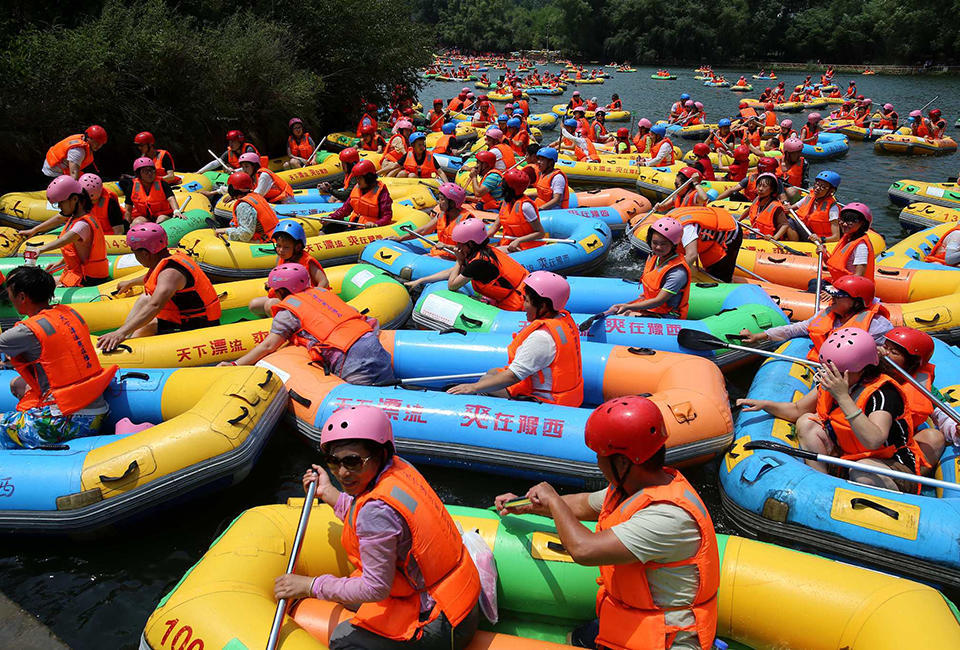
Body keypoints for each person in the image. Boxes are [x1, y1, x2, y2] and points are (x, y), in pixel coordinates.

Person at [494, 395, 719, 650]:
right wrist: (523, 505)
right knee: (574, 639)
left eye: (601, 456)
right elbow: (582, 504)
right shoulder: (635, 486)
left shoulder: (667, 516)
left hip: (666, 639)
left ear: (622, 461)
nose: (598, 463)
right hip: (630, 615)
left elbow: (584, 550)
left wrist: (553, 500)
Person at [274, 405, 481, 649]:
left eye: (353, 462)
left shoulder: (377, 511)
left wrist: (310, 585)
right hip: (461, 596)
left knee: (343, 640)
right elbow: (385, 520)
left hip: (441, 621)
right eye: (333, 462)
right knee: (351, 594)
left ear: (380, 453)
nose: (342, 473)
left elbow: (375, 588)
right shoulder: (398, 468)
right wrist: (328, 493)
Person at [737, 328, 926, 493]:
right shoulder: (837, 380)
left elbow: (873, 440)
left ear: (863, 369)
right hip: (848, 457)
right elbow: (797, 410)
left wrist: (843, 397)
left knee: (862, 471)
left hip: (889, 465)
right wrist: (766, 405)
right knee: (807, 422)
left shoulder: (884, 393)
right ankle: (822, 484)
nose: (831, 373)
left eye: (839, 369)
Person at [0, 266, 117, 450]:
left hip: (68, 420)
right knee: (17, 384)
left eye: (11, 296)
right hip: (98, 411)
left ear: (22, 297)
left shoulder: (26, 331)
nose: (11, 301)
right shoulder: (69, 313)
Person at [224, 265, 396, 385]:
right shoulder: (321, 292)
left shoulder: (288, 313)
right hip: (372, 343)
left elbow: (269, 345)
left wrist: (235, 365)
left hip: (351, 357)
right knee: (388, 387)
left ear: (280, 291)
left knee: (366, 404)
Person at [448, 271, 583, 406]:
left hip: (547, 401)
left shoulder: (542, 338)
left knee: (483, 384)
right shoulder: (563, 321)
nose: (523, 306)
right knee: (491, 372)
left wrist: (472, 387)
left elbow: (513, 376)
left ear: (543, 306)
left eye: (527, 301)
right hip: (569, 396)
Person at [97, 223, 221, 351]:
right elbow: (154, 278)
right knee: (144, 298)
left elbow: (155, 306)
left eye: (135, 252)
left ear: (145, 253)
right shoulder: (168, 256)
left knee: (148, 325)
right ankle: (125, 335)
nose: (136, 256)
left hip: (198, 325)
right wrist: (131, 282)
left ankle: (126, 347)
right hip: (184, 316)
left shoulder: (170, 273)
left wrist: (120, 333)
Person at [739, 274, 892, 360]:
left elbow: (887, 353)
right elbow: (796, 328)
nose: (833, 299)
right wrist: (759, 336)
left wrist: (880, 352)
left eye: (838, 296)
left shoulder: (877, 326)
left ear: (857, 302)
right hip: (823, 364)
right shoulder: (828, 313)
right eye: (833, 294)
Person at [405, 218, 529, 311]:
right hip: (522, 292)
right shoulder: (486, 250)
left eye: (460, 244)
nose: (457, 247)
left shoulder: (478, 263)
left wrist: (459, 261)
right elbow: (450, 272)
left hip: (518, 302)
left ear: (471, 244)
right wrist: (421, 280)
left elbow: (452, 285)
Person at [20, 176, 109, 287]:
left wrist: (40, 250)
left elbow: (64, 240)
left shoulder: (83, 225)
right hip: (82, 274)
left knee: (38, 286)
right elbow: (77, 252)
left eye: (61, 203)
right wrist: (60, 263)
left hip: (89, 279)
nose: (59, 207)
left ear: (75, 199)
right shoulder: (76, 218)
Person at [881, 327, 950, 469]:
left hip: (897, 448)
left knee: (934, 437)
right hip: (864, 440)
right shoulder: (867, 369)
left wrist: (956, 430)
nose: (885, 354)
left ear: (911, 363)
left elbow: (944, 416)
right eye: (885, 347)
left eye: (893, 352)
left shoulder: (924, 387)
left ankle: (905, 478)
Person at [607, 217, 691, 318]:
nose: (658, 247)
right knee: (615, 311)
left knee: (621, 316)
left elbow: (659, 301)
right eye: (655, 243)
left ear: (673, 244)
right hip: (652, 308)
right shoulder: (654, 256)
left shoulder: (677, 272)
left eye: (663, 244)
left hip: (668, 315)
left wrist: (628, 307)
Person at [248, 220, 329, 316]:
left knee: (270, 304)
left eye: (286, 247)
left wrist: (315, 298)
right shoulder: (281, 258)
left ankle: (282, 325)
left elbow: (324, 281)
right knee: (253, 305)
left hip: (305, 300)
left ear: (298, 247)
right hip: (286, 297)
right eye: (278, 246)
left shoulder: (307, 261)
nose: (281, 250)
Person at [392, 183, 467, 259]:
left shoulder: (465, 221)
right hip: (440, 252)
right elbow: (424, 230)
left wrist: (446, 246)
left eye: (442, 200)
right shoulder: (442, 215)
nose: (439, 202)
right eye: (439, 199)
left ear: (452, 203)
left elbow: (468, 249)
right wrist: (400, 238)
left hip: (454, 257)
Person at [673, 206, 743, 283]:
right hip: (711, 227)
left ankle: (724, 285)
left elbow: (692, 255)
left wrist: (673, 276)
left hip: (729, 234)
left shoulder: (686, 229)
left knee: (719, 275)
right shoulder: (670, 220)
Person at [324, 160, 393, 231]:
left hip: (367, 228)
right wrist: (332, 217)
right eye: (356, 178)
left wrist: (376, 224)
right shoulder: (357, 187)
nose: (357, 180)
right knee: (328, 227)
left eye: (359, 178)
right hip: (354, 224)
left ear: (368, 178)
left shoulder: (381, 192)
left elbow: (387, 216)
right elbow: (345, 209)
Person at [210, 172, 279, 242]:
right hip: (273, 235)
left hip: (263, 241)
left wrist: (225, 230)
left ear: (232, 189)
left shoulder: (243, 206)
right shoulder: (257, 196)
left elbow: (246, 234)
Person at [488, 169, 545, 251]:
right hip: (509, 243)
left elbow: (540, 233)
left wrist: (518, 240)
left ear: (511, 189)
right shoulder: (506, 202)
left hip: (526, 247)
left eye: (504, 185)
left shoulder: (525, 207)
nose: (501, 187)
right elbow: (494, 227)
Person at [121, 158, 183, 225]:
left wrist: (176, 211)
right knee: (137, 222)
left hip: (163, 215)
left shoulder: (162, 183)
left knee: (161, 219)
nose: (150, 173)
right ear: (139, 174)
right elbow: (128, 209)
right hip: (145, 217)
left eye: (151, 170)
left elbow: (171, 198)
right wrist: (127, 225)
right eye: (145, 171)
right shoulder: (132, 186)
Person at [824, 202, 874, 282]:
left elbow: (859, 277)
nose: (844, 224)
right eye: (842, 220)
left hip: (851, 289)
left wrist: (839, 290)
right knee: (813, 283)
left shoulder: (861, 246)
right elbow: (834, 264)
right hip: (839, 281)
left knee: (814, 287)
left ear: (862, 224)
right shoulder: (847, 238)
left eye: (850, 222)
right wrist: (824, 254)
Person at [791, 170, 841, 242]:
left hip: (816, 238)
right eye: (816, 184)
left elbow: (836, 237)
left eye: (823, 187)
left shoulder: (833, 208)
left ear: (831, 191)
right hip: (806, 230)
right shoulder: (810, 197)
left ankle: (794, 243)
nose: (817, 188)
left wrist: (821, 239)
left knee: (789, 223)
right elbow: (792, 208)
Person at [42, 126, 107, 179]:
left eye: (101, 144)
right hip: (52, 173)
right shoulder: (78, 151)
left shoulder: (83, 139)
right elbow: (73, 174)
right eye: (96, 143)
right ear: (88, 139)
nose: (99, 146)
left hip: (53, 168)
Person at [741, 173, 790, 239]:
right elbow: (749, 209)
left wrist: (774, 237)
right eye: (759, 185)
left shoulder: (776, 206)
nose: (760, 189)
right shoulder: (757, 199)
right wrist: (738, 220)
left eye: (765, 186)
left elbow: (785, 225)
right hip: (756, 234)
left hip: (768, 238)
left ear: (772, 189)